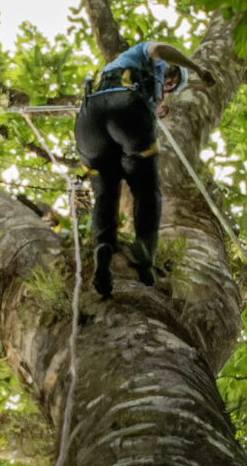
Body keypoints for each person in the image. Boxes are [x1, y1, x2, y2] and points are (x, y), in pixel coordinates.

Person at [75, 38, 196, 300]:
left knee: (105, 194)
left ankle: (104, 248)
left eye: (171, 86)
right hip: (126, 111)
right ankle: (143, 256)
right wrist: (198, 68)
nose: (168, 84)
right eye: (171, 78)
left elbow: (150, 96)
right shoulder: (148, 52)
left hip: (88, 122)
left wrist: (156, 106)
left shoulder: (121, 68)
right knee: (146, 190)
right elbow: (160, 50)